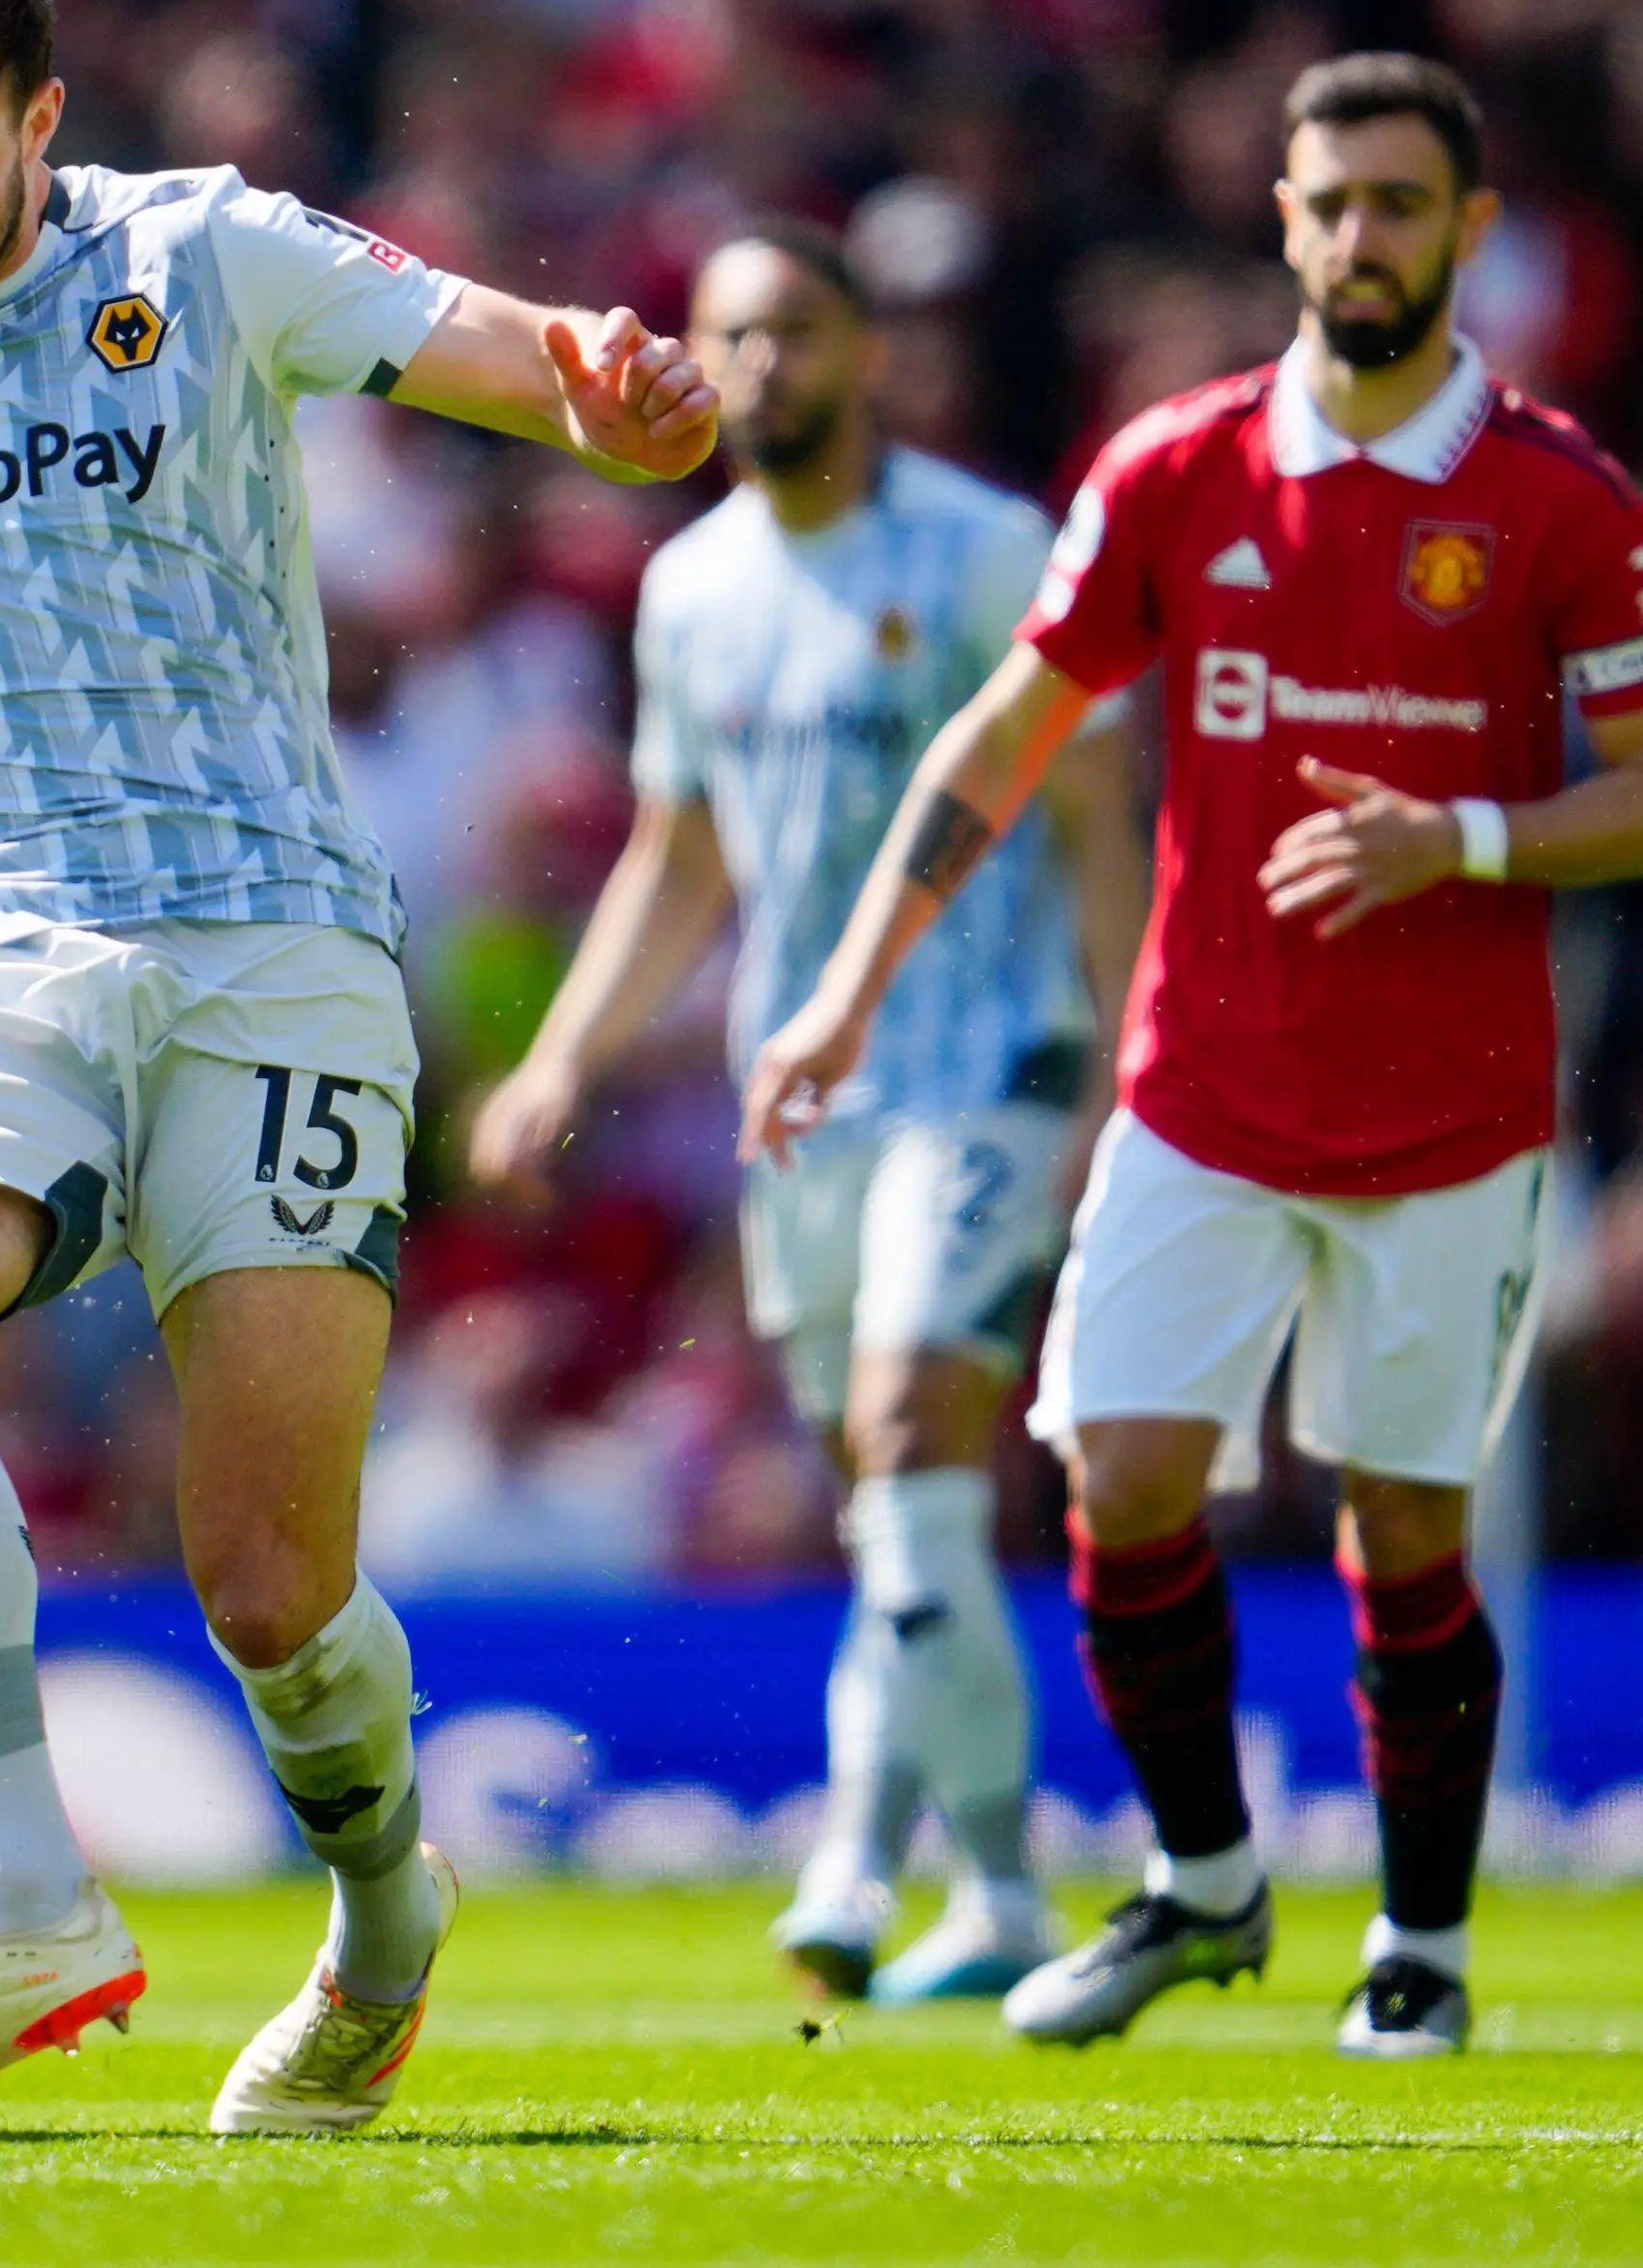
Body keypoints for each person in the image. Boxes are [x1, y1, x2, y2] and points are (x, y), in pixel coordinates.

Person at [0, 0, 717, 2138]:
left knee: (267, 1582)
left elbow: (500, 350)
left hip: (266, 945)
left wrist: (618, 396)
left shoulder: (199, 257)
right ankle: (21, 1881)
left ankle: (376, 1904)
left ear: (41, 119)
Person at [742, 54, 1643, 2060]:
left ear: (1469, 232)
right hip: (1202, 1093)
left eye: (1399, 204)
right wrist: (846, 988)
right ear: (1281, 219)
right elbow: (1006, 730)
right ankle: (1204, 1882)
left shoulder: (1555, 498)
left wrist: (1461, 835)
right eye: (1329, 201)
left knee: (1407, 1532)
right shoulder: (1178, 468)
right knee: (1118, 1482)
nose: (1360, 236)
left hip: (1449, 1121)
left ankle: (1423, 1945)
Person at [467, 224, 1148, 2005]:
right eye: (732, 335)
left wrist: (1123, 1064)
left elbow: (1093, 810)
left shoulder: (989, 548)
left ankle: (854, 1858)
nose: (764, 366)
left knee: (912, 1428)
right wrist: (565, 1056)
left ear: (868, 353)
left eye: (796, 332)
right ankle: (997, 1885)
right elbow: (680, 857)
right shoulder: (691, 590)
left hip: (993, 1064)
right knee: (890, 1504)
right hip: (806, 1094)